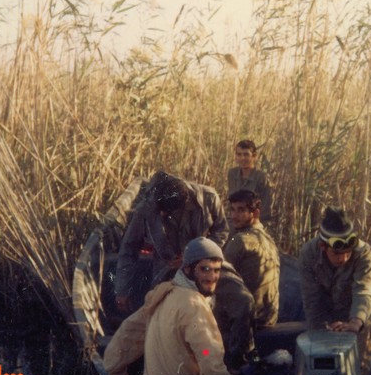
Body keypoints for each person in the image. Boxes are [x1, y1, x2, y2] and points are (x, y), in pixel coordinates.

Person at [104, 237, 243, 375]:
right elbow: (208, 356)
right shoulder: (195, 306)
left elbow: (128, 333)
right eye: (205, 269)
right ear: (188, 269)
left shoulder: (163, 293)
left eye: (217, 270)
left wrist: (114, 369)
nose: (212, 277)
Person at [115, 171, 229, 313]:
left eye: (167, 212)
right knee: (162, 312)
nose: (162, 215)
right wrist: (122, 290)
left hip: (202, 269)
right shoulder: (146, 209)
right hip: (165, 272)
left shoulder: (208, 199)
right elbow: (129, 248)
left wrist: (196, 254)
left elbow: (222, 231)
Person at [300, 207, 371, 375]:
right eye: (336, 253)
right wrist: (321, 334)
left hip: (356, 318)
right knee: (323, 371)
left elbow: (365, 291)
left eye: (348, 252)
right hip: (325, 317)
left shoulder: (364, 253)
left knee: (356, 374)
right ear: (323, 247)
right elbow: (312, 301)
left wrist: (355, 323)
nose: (343, 258)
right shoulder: (308, 254)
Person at [223, 189, 280, 329]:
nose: (234, 215)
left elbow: (219, 277)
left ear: (255, 214)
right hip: (270, 318)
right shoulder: (268, 238)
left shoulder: (241, 240)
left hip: (249, 321)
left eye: (241, 210)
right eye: (232, 209)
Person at [227, 140, 273, 224]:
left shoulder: (262, 178)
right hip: (235, 222)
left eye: (246, 154)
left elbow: (266, 209)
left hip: (253, 223)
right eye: (239, 154)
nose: (242, 158)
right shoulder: (232, 174)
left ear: (254, 156)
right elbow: (231, 202)